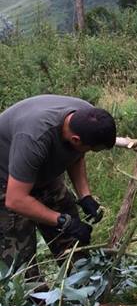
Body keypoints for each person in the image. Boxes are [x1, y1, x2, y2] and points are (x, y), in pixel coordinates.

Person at [0, 96, 116, 274]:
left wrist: (85, 196)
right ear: (76, 139)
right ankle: (34, 299)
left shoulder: (86, 116)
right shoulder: (34, 138)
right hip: (7, 182)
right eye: (91, 148)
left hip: (41, 173)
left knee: (73, 241)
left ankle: (82, 287)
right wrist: (62, 221)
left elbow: (76, 155)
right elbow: (15, 200)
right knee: (21, 260)